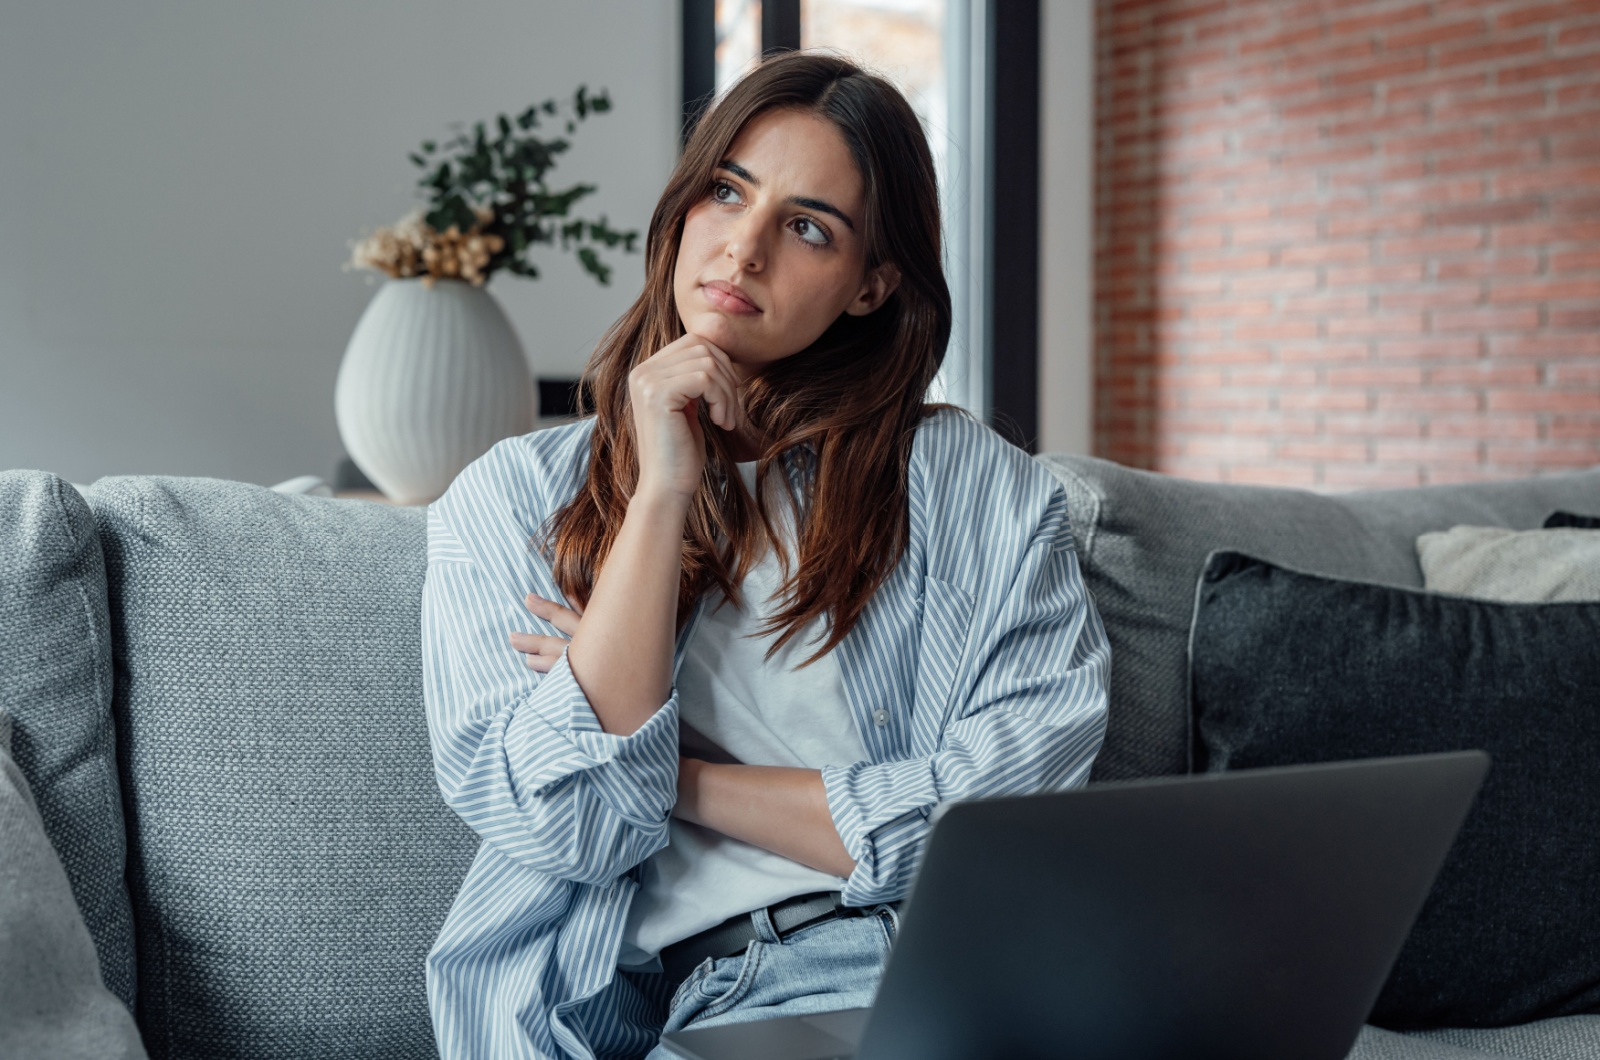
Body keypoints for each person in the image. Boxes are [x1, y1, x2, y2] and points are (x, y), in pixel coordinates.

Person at [419, 49, 1111, 1060]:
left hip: (938, 973)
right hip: (687, 998)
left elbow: (1000, 825)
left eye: (805, 227)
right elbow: (569, 823)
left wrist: (681, 773)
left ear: (872, 284)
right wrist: (660, 491)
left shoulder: (969, 487)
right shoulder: (514, 499)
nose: (741, 249)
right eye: (726, 192)